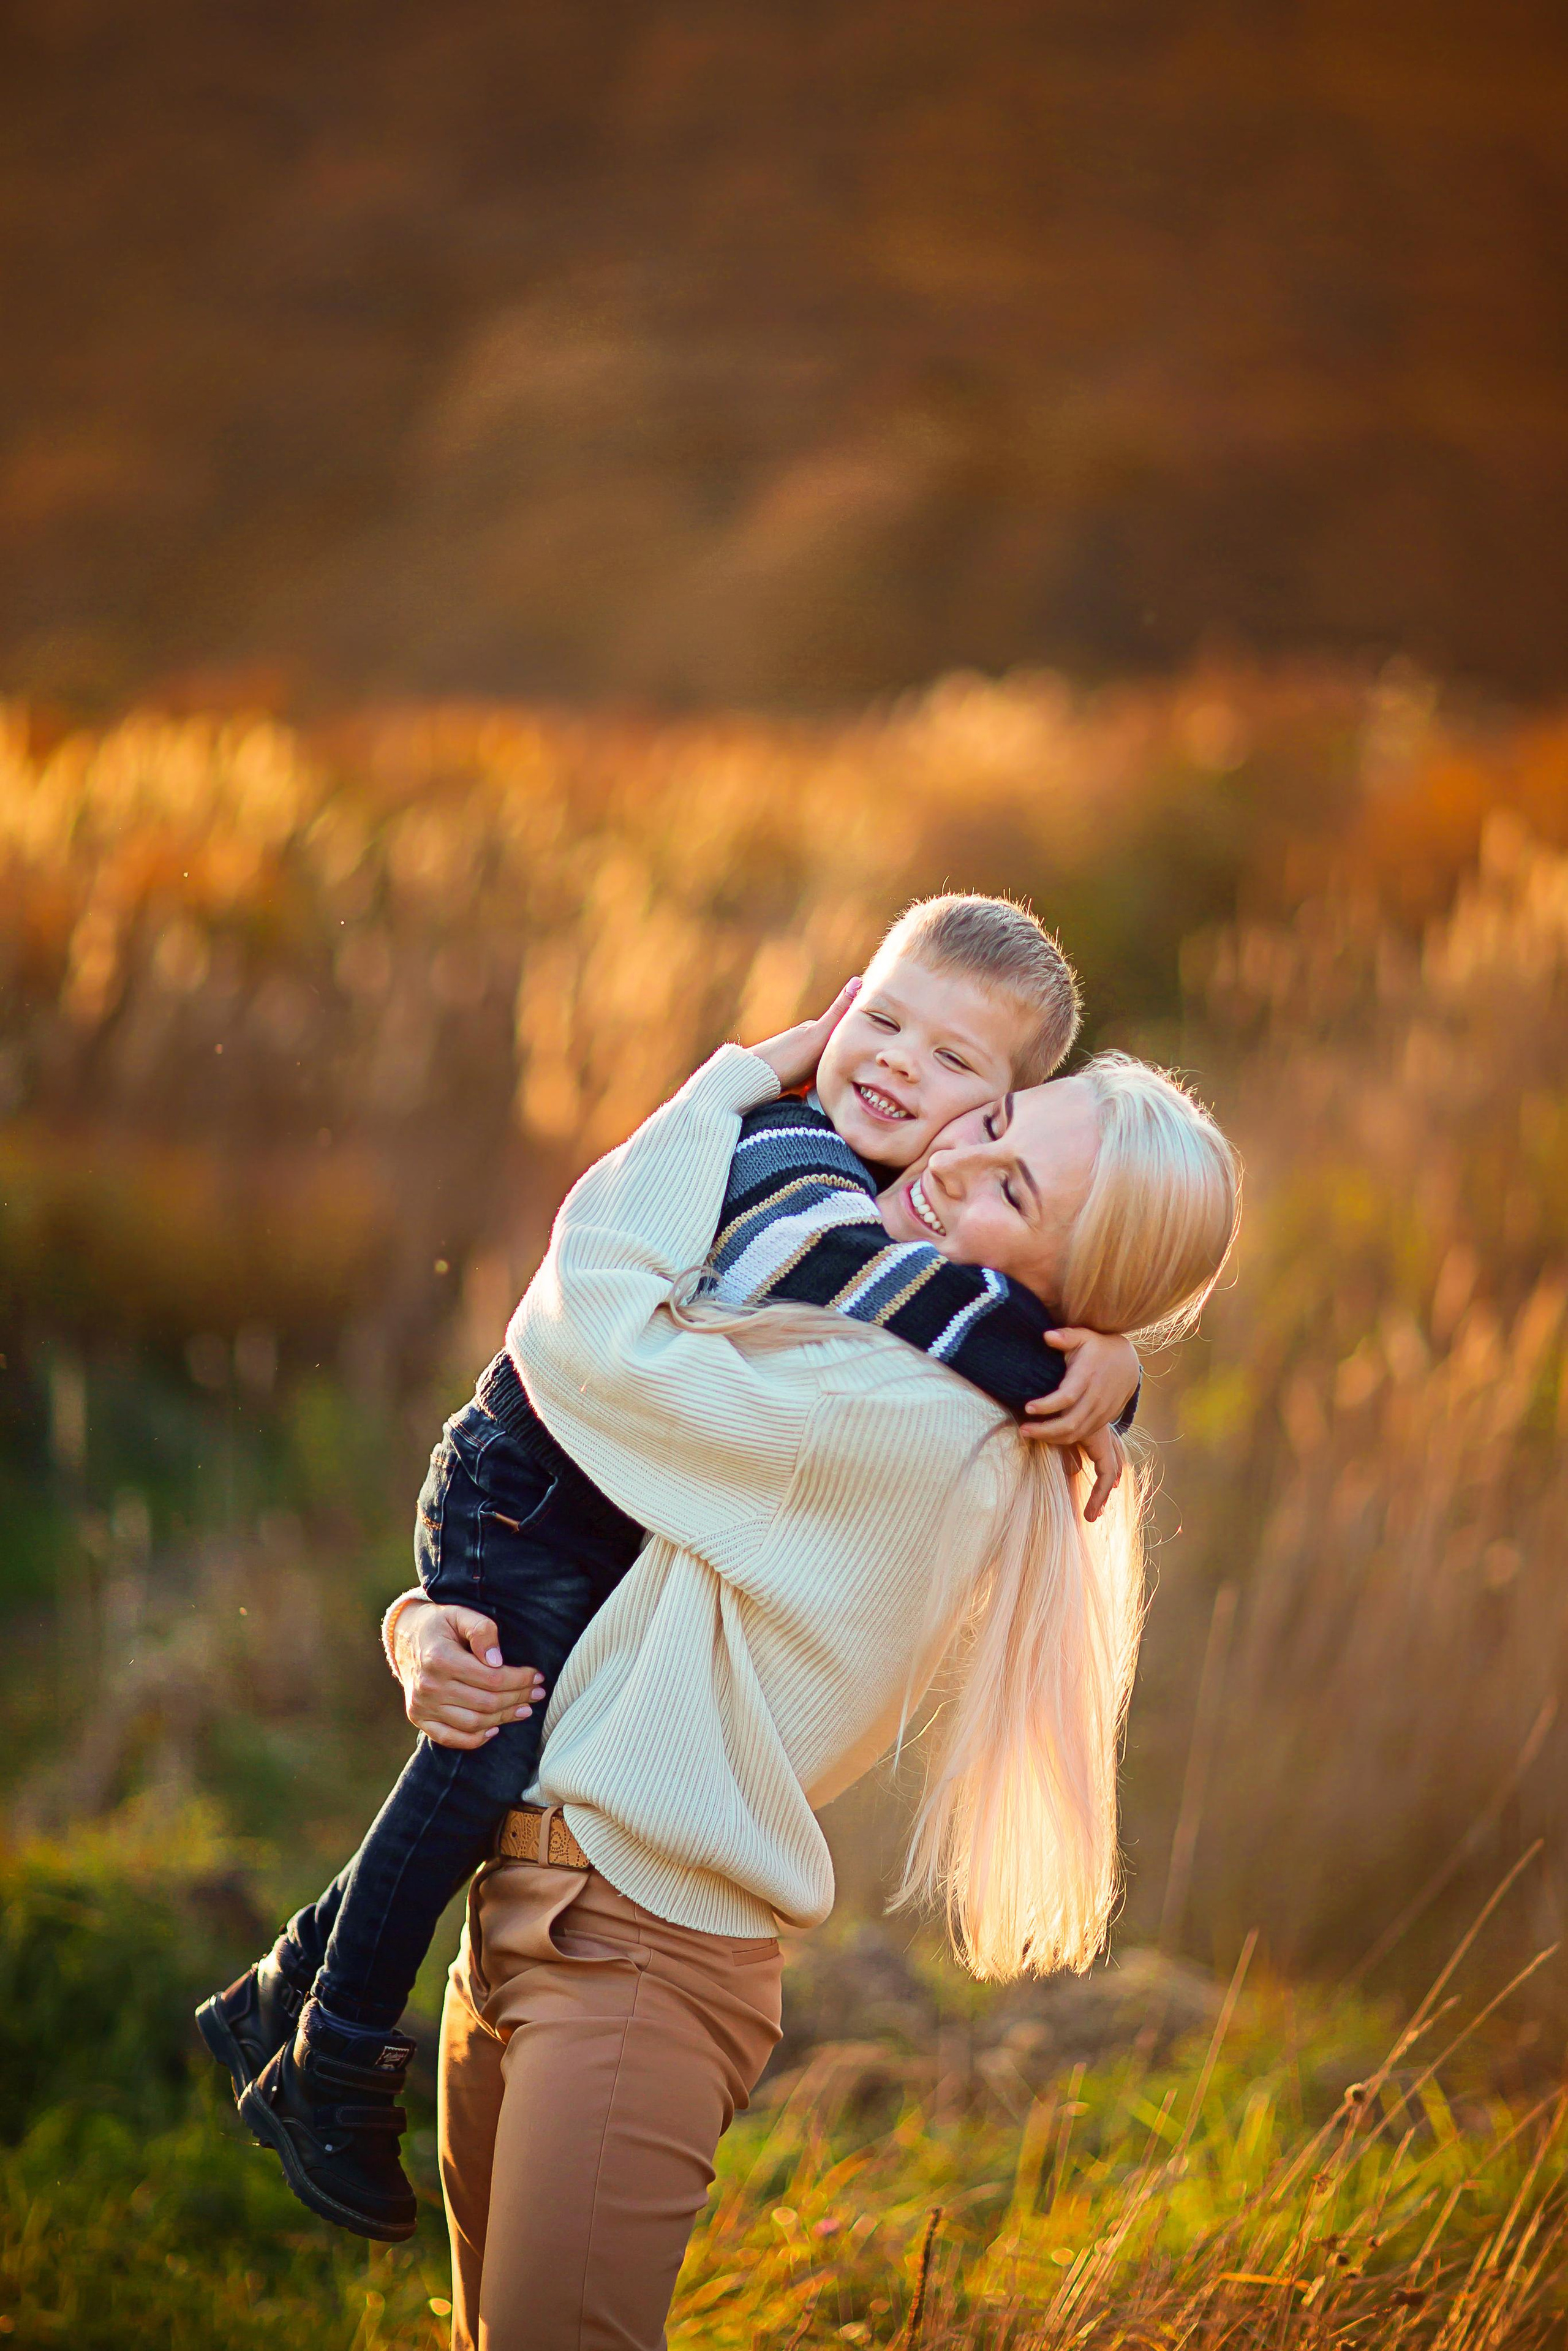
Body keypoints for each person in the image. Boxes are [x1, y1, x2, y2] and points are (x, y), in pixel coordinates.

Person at [195, 896, 1143, 2239]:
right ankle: (336, 2049)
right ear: (832, 1007)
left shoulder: (895, 1287)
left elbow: (924, 1300)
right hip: (533, 1481)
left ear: (1003, 1112)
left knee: (489, 1742)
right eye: (877, 1021)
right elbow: (891, 1298)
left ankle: (290, 1990)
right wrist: (1083, 1364)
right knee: (483, 1749)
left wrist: (1104, 1350)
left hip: (592, 1634)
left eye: (954, 1072)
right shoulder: (794, 1159)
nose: (892, 1065)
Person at [384, 1002, 1240, 2349]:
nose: (954, 1165)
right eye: (996, 1123)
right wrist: (427, 1626)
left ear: (1073, 1295)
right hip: (531, 1903)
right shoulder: (875, 1324)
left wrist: (737, 1079)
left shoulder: (893, 1415)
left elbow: (584, 1346)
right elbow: (588, 1531)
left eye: (1014, 1190)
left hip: (635, 1960)